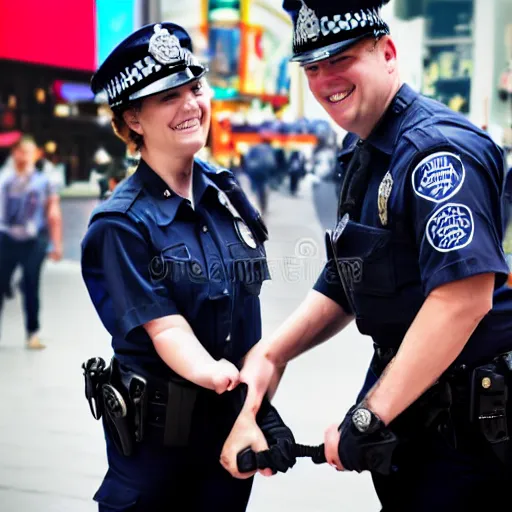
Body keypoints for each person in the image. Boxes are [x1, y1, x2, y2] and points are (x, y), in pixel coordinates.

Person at [220, 1, 512, 510]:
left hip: (472, 439)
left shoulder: (437, 153)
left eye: (341, 59)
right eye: (312, 67)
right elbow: (349, 273)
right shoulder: (367, 150)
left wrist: (369, 415)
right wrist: (272, 353)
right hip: (416, 422)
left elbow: (462, 299)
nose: (326, 78)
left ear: (389, 53)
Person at [80, 22, 279, 511]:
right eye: (169, 96)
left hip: (230, 432)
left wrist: (257, 407)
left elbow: (247, 323)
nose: (192, 104)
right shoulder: (121, 224)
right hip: (156, 452)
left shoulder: (225, 194)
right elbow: (164, 327)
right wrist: (211, 372)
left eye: (194, 87)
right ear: (133, 120)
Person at [0, 134, 63, 348]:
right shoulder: (4, 179)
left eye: (29, 152)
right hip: (6, 238)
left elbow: (53, 212)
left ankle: (32, 333)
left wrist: (56, 244)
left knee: (31, 282)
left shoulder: (44, 181)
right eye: (21, 151)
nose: (25, 156)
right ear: (14, 153)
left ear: (36, 155)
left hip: (34, 240)